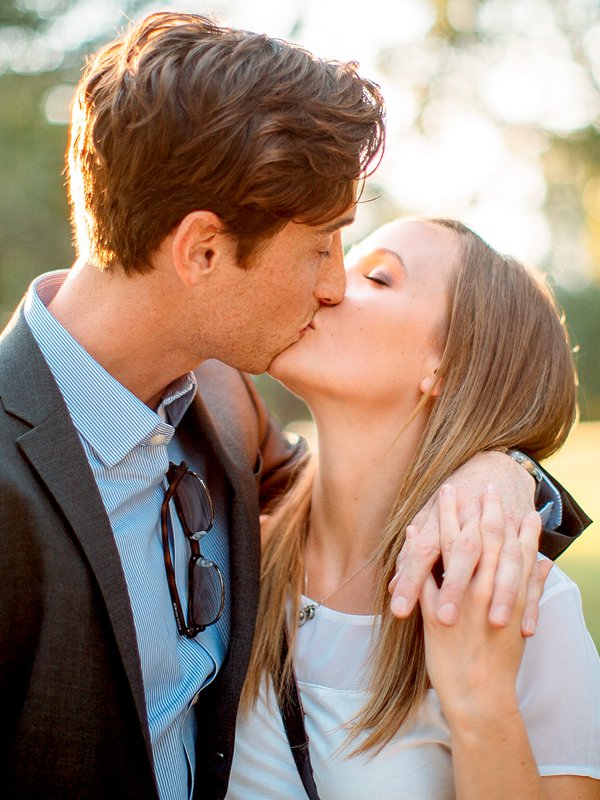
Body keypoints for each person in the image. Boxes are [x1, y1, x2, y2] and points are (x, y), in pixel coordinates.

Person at [0, 12, 589, 800]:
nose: (334, 284)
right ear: (202, 250)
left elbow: (362, 491)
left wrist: (503, 471)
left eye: (370, 270)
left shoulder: (218, 405)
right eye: (322, 246)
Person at [228, 218, 600, 800]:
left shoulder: (521, 600)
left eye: (377, 277)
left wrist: (481, 704)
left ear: (448, 365)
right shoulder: (231, 551)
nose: (326, 284)